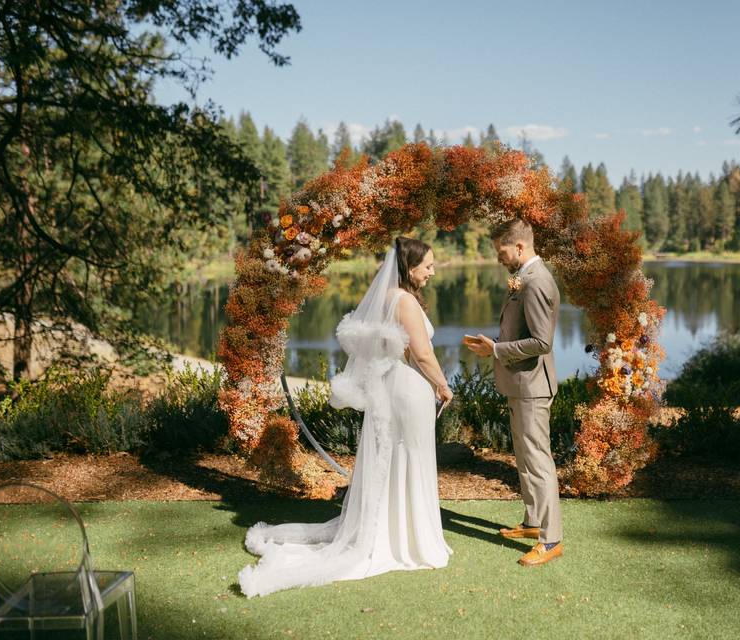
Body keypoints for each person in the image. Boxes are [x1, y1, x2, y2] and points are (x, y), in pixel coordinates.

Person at [238, 236, 453, 597]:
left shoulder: (387, 299)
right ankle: (414, 541)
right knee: (412, 459)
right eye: (427, 265)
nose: (432, 271)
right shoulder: (405, 302)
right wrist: (444, 386)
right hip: (409, 390)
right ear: (409, 267)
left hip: (394, 389)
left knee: (398, 460)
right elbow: (424, 354)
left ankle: (399, 533)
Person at [464, 218, 564, 566]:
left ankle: (551, 541)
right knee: (524, 456)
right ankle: (533, 523)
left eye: (501, 250)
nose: (499, 258)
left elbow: (542, 342)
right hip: (521, 384)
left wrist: (496, 349)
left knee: (538, 460)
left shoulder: (536, 283)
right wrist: (493, 347)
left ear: (519, 247)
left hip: (532, 387)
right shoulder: (524, 278)